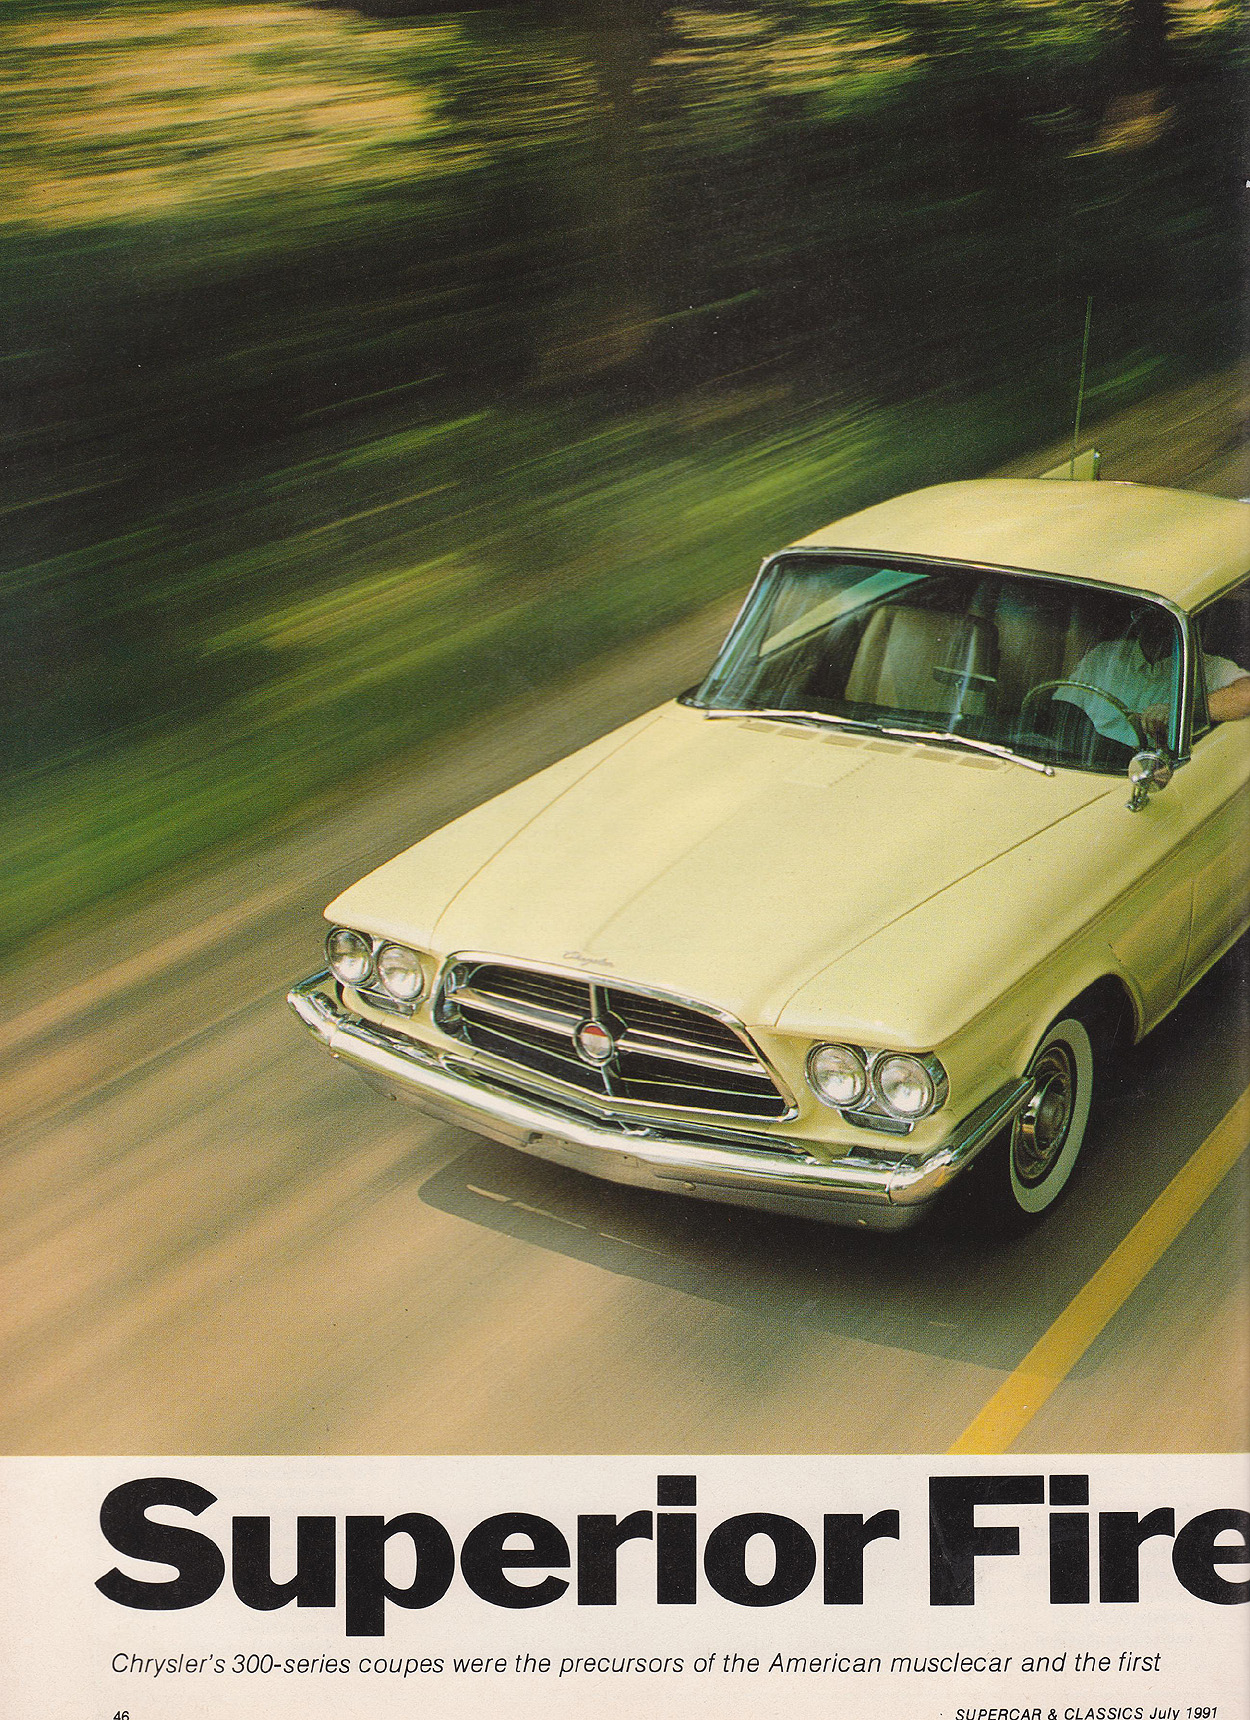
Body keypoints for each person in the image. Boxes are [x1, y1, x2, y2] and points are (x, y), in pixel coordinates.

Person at [1057, 606, 1250, 749]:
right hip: (1084, 755)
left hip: (1147, 771)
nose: (1154, 626)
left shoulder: (1205, 666)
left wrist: (1178, 712)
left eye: (1163, 618)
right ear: (1136, 621)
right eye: (1145, 615)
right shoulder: (1105, 656)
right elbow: (1061, 708)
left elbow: (1246, 695)